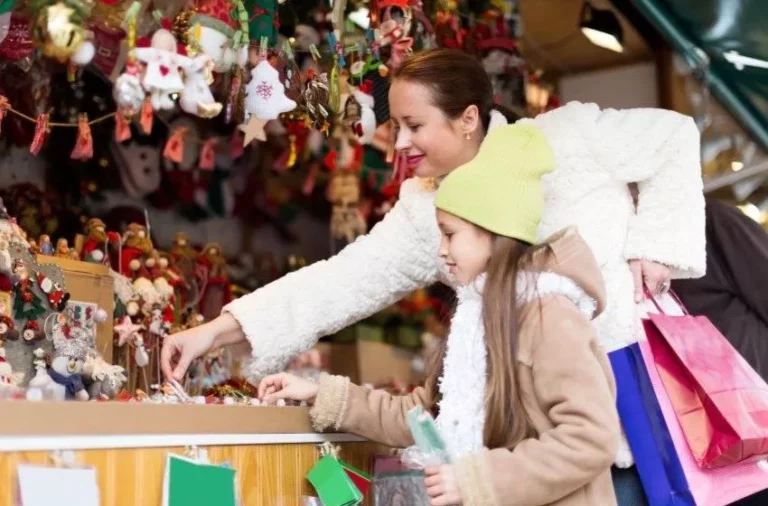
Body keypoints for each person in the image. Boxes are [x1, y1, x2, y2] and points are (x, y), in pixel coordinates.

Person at [161, 48, 704, 498]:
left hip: (635, 386)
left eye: (413, 125)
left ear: (467, 117)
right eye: (395, 126)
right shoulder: (426, 209)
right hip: (519, 454)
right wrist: (215, 331)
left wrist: (654, 249)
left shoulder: (568, 138)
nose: (398, 143)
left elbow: (675, 135)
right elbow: (339, 282)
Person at [257, 124, 620, 506]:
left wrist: (477, 480)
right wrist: (320, 393)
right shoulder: (474, 319)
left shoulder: (549, 317)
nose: (442, 251)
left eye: (450, 234)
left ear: (494, 233)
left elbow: (590, 437)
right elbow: (420, 417)